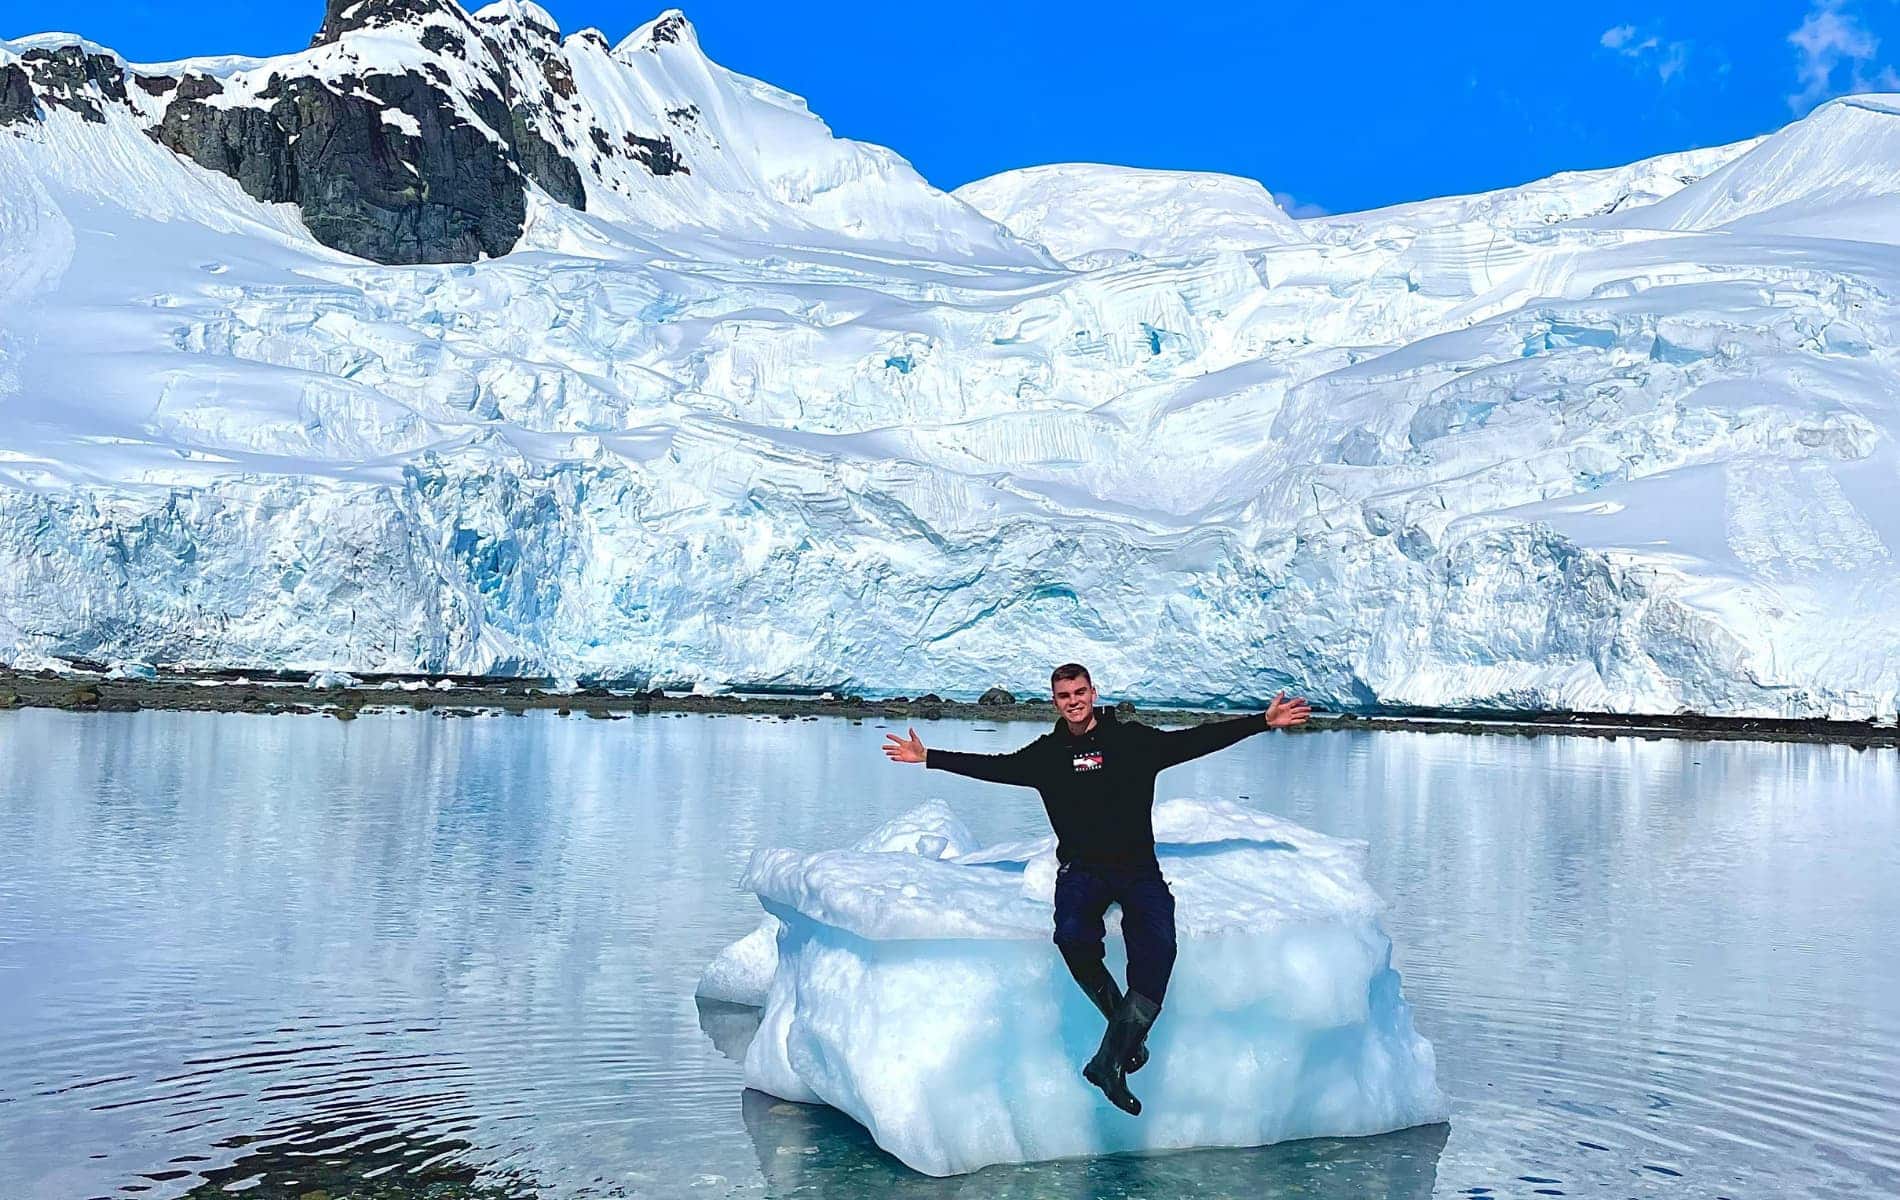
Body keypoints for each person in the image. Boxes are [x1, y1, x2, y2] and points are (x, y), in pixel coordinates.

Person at [881, 663, 1312, 1116]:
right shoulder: (1046, 756)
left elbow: (1194, 740)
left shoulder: (1131, 741)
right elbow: (996, 767)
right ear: (1055, 701)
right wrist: (930, 757)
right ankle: (1124, 1035)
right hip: (1083, 871)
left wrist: (1262, 722)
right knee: (1071, 936)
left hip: (1138, 870)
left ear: (1093, 692)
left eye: (1080, 692)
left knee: (1159, 948)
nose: (1074, 701)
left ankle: (1107, 1062)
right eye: (1064, 695)